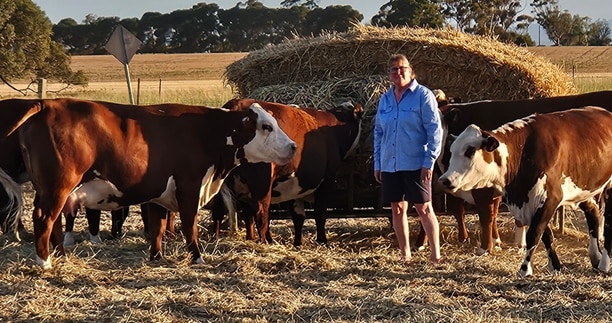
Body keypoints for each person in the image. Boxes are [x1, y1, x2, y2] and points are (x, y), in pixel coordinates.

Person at [373, 54, 443, 264]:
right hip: (390, 162)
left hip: (416, 162)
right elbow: (378, 132)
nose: (398, 72)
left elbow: (434, 130)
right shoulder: (385, 99)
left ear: (411, 71)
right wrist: (378, 163)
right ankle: (405, 254)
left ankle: (435, 255)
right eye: (393, 69)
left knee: (424, 208)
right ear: (389, 74)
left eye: (402, 68)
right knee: (397, 207)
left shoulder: (423, 95)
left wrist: (429, 160)